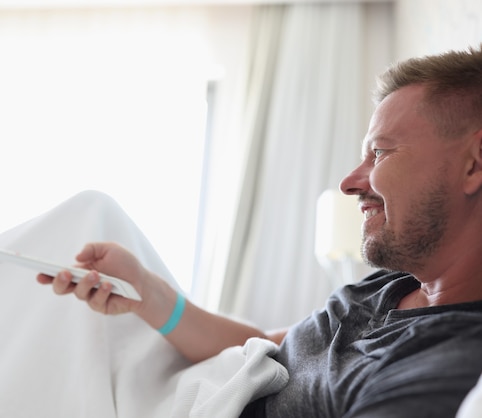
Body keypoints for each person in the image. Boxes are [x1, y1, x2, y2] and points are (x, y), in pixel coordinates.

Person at [38, 45, 482, 417]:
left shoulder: (445, 358)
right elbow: (266, 346)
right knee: (90, 218)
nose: (349, 181)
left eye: (380, 153)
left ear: (474, 163)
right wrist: (147, 293)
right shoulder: (385, 289)